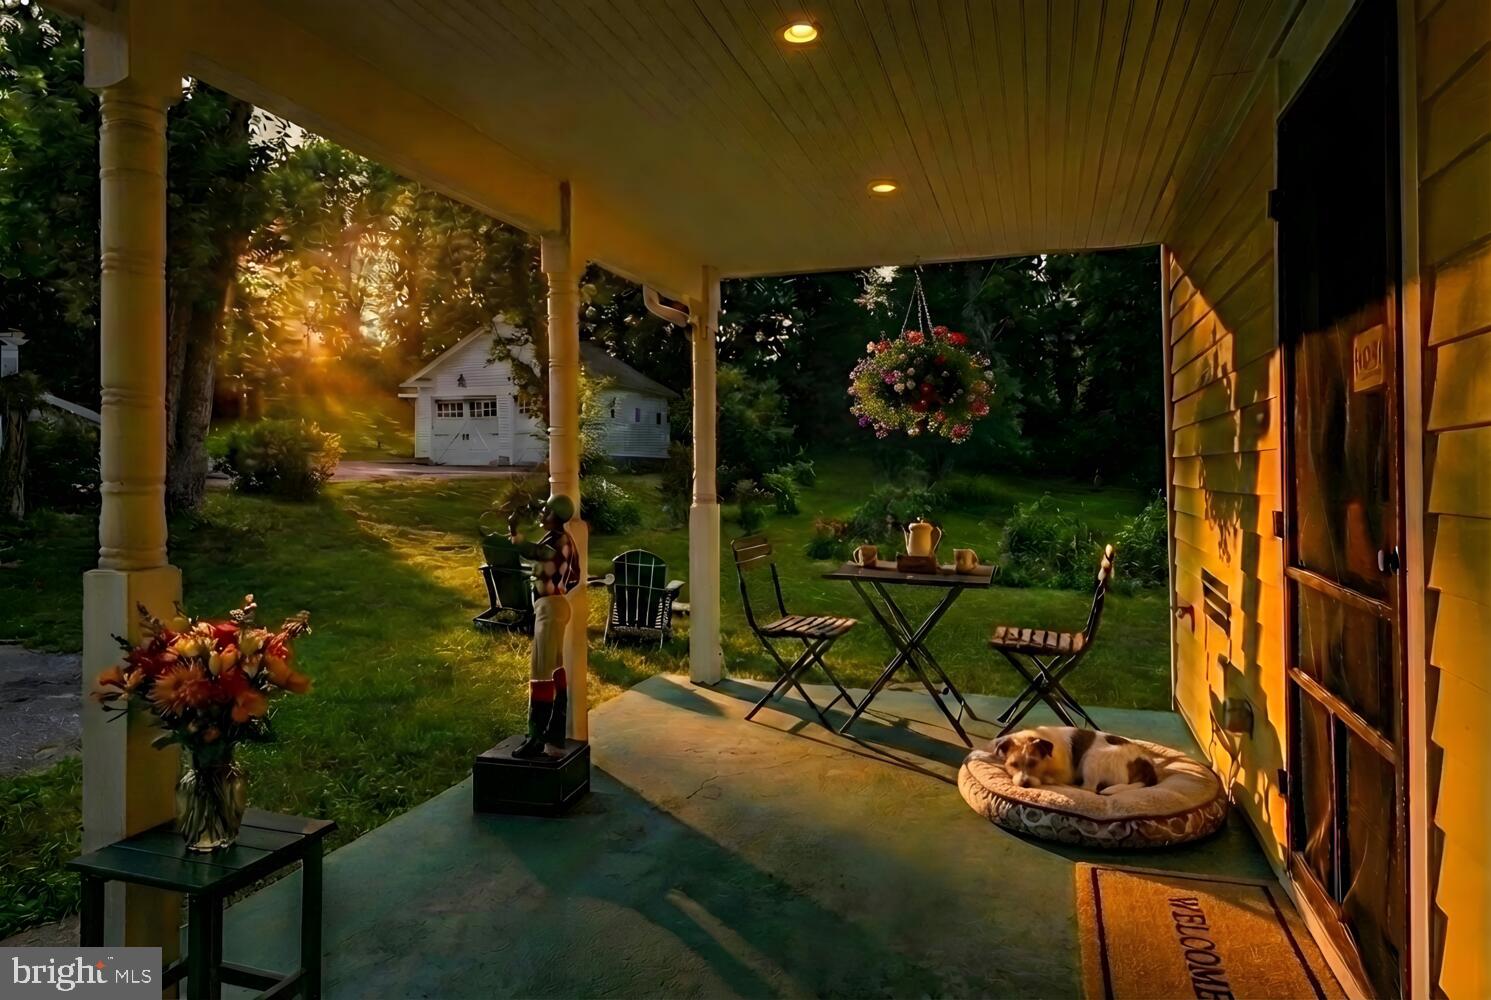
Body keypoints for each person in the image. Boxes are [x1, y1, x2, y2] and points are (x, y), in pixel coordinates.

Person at [508, 494, 581, 758]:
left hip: (549, 609)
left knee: (541, 672)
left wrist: (514, 530)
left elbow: (530, 551)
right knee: (555, 672)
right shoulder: (564, 540)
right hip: (555, 605)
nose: (542, 515)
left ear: (556, 517)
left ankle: (537, 739)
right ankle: (554, 738)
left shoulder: (556, 541)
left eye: (546, 512)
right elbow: (576, 575)